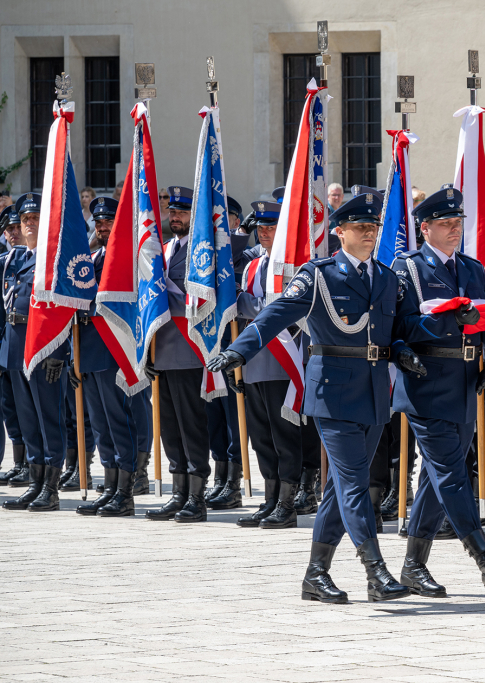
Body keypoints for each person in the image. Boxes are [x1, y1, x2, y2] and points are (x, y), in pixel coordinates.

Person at [208, 191, 425, 605]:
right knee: (354, 483)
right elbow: (276, 313)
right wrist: (241, 349)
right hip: (334, 393)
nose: (367, 234)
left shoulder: (384, 277)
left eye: (372, 228)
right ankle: (375, 570)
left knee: (338, 488)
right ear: (339, 232)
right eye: (360, 228)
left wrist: (404, 350)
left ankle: (315, 574)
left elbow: (394, 329)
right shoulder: (318, 275)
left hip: (376, 391)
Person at [388, 187, 485, 595]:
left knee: (435, 475)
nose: (453, 230)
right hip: (426, 379)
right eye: (444, 224)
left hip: (466, 379)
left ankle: (413, 566)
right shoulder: (406, 268)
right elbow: (401, 327)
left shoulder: (473, 267)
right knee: (451, 472)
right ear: (424, 228)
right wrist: (447, 320)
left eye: (457, 223)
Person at [233, 200, 321, 529]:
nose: (265, 233)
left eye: (272, 227)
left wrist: (246, 303)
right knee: (261, 436)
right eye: (261, 227)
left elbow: (277, 306)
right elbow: (239, 292)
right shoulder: (254, 264)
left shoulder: (292, 265)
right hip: (256, 361)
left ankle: (288, 502)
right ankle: (270, 499)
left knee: (285, 437)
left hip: (285, 361)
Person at [143, 187, 214, 523]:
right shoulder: (165, 249)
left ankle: (197, 496)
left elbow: (201, 296)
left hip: (188, 349)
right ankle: (178, 491)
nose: (175, 218)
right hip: (163, 349)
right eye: (172, 212)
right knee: (169, 427)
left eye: (182, 213)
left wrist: (159, 293)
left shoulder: (202, 251)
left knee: (191, 425)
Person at [73, 197, 147, 517]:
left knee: (119, 421)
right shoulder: (91, 257)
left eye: (108, 222)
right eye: (99, 223)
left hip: (113, 348)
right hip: (88, 350)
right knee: (100, 424)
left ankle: (126, 490)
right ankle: (110, 484)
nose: (102, 228)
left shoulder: (128, 260)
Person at [1, 193, 70, 512]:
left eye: (34, 219)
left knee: (48, 418)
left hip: (44, 345)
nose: (28, 225)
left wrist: (61, 350)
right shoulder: (15, 259)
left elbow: (66, 307)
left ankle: (51, 487)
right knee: (27, 419)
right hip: (15, 345)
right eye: (24, 220)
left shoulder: (53, 259)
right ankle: (36, 481)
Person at [0, 206, 24, 486]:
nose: (14, 232)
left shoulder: (31, 259)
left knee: (26, 406)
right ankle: (20, 462)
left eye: (18, 227)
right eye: (9, 229)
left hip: (25, 343)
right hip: (5, 343)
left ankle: (33, 463)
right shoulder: (5, 261)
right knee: (10, 406)